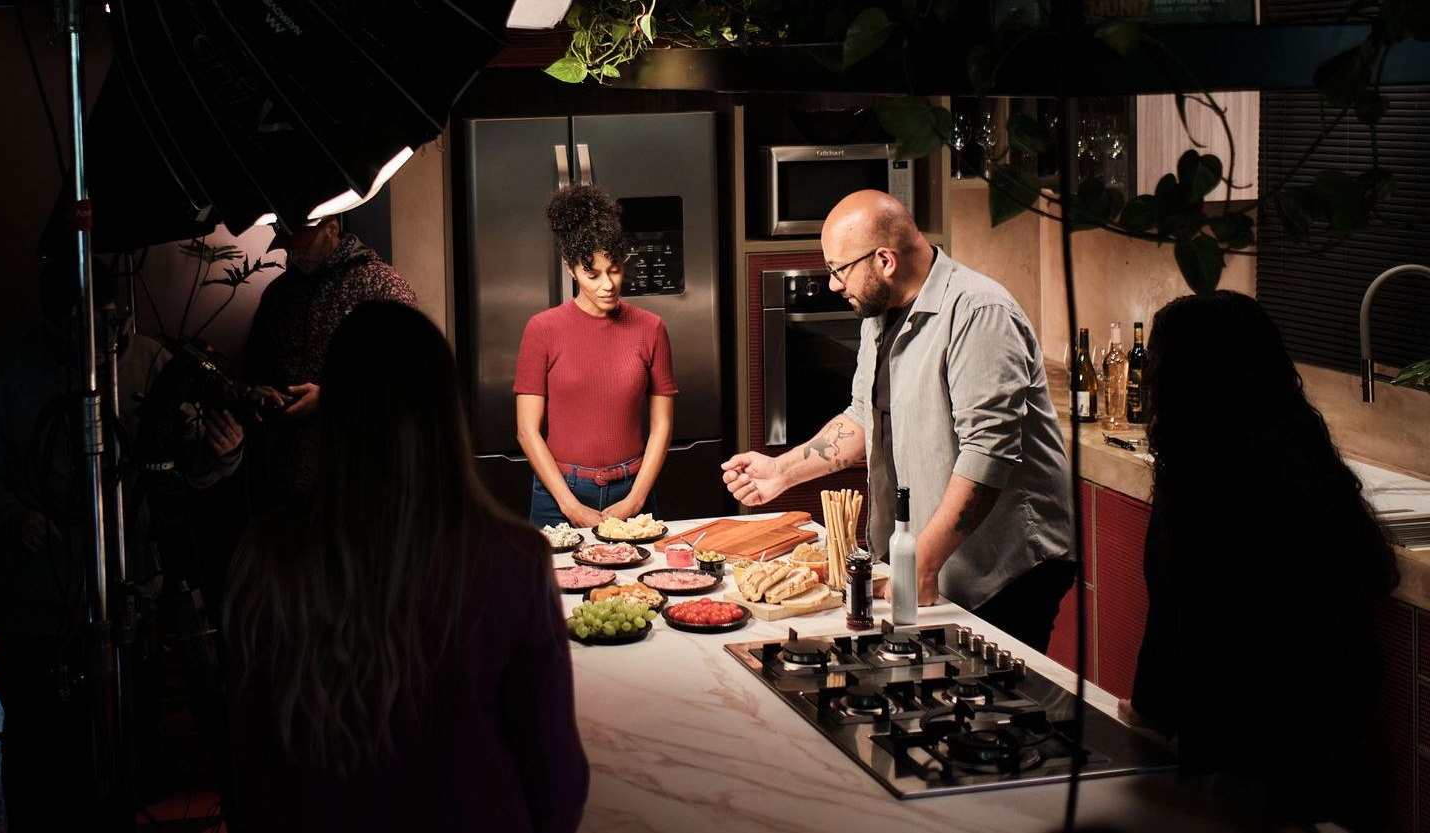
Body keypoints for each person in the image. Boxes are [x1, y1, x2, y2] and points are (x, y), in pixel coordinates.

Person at [222, 302, 588, 832]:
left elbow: (247, 778)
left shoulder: (265, 556)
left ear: (334, 414)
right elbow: (557, 786)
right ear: (448, 411)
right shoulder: (514, 560)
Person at [0, 257, 247, 830]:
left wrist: (221, 453)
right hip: (39, 606)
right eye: (77, 326)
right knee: (39, 765)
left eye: (107, 323)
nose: (95, 340)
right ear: (52, 317)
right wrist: (12, 517)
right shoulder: (9, 375)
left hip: (131, 593)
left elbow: (184, 472)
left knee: (126, 760)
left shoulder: (152, 362)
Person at [721, 190, 1075, 652]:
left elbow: (988, 454)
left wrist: (921, 567)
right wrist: (780, 471)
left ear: (885, 260)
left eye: (838, 270)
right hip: (932, 565)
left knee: (992, 712)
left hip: (1003, 570)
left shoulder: (979, 312)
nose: (832, 284)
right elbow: (863, 417)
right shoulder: (880, 314)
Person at [1122, 291, 1398, 831]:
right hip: (1325, 735)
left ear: (1192, 377)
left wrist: (1150, 714)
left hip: (1254, 748)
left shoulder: (1210, 476)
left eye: (1157, 362)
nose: (1148, 375)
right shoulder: (1296, 452)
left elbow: (1185, 614)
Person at [514, 185, 677, 528]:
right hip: (557, 496)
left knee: (637, 583)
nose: (608, 285)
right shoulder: (542, 329)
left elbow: (662, 425)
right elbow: (527, 431)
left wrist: (635, 501)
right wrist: (570, 506)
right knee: (556, 583)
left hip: (634, 489)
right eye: (593, 274)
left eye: (615, 269)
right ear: (571, 270)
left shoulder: (652, 328)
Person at [242, 213, 415, 507]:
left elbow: (407, 376)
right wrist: (256, 392)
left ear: (332, 228)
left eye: (304, 245)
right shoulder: (280, 293)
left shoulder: (379, 284)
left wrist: (330, 398)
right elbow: (256, 364)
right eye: (289, 247)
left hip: (354, 477)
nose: (296, 255)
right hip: (283, 476)